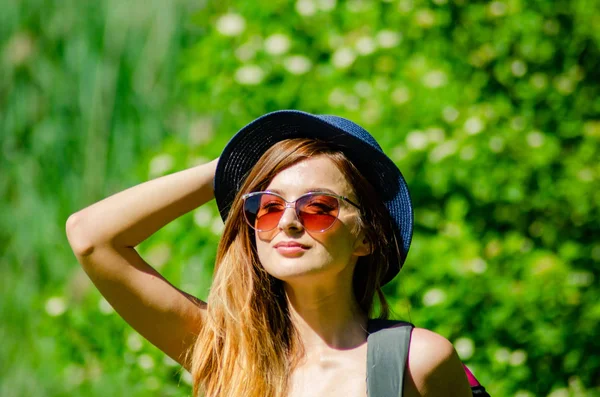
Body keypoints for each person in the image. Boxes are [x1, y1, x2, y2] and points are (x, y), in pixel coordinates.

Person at [66, 110, 473, 397]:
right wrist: (232, 166)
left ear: (366, 238)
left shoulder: (415, 362)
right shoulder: (231, 356)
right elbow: (90, 236)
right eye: (268, 206)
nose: (288, 222)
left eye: (319, 207)